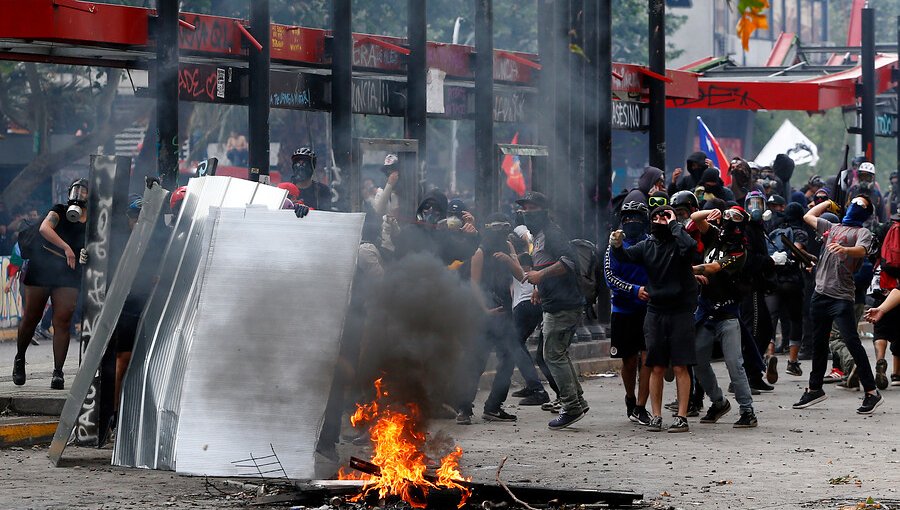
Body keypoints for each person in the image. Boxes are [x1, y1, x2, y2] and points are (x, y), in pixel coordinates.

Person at [610, 205, 698, 433]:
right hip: (656, 310)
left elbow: (690, 248)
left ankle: (681, 416)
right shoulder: (647, 245)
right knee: (656, 365)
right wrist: (616, 244)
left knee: (680, 366)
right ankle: (656, 415)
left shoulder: (679, 241)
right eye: (656, 216)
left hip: (680, 310)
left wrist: (674, 223)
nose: (661, 219)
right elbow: (625, 257)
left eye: (665, 215)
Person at [793, 194, 883, 414]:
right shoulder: (833, 227)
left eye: (860, 203)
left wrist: (846, 250)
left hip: (841, 296)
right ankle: (815, 389)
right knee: (819, 344)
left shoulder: (862, 232)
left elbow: (862, 250)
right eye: (853, 202)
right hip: (820, 293)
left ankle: (871, 392)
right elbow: (808, 215)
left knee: (852, 342)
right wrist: (829, 204)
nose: (855, 205)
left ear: (867, 211)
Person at [517, 192, 588, 430]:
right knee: (559, 354)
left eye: (531, 207)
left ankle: (571, 406)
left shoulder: (552, 233)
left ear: (542, 210)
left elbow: (569, 262)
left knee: (553, 356)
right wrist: (540, 286)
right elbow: (546, 264)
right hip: (554, 301)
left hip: (563, 305)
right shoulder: (538, 236)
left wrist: (540, 276)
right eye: (524, 208)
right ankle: (577, 400)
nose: (526, 212)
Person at [12, 179, 89, 390]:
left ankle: (58, 372)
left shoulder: (93, 220)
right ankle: (20, 358)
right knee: (31, 317)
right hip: (42, 266)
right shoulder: (59, 211)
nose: (80, 194)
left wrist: (87, 254)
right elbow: (45, 229)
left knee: (62, 321)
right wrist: (67, 248)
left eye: (84, 191)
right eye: (77, 190)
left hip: (68, 273)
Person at [689, 205, 758, 428]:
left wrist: (687, 270)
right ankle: (718, 402)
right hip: (706, 310)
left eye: (735, 217)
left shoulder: (739, 251)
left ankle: (747, 410)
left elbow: (713, 267)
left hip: (728, 313)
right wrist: (713, 210)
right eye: (727, 215)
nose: (728, 219)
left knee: (734, 363)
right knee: (698, 360)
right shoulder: (714, 236)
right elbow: (694, 218)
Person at [455, 214, 524, 424]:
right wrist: (484, 309)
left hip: (504, 313)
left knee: (509, 358)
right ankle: (464, 409)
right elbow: (474, 284)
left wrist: (509, 260)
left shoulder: (508, 247)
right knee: (476, 362)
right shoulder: (481, 252)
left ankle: (494, 406)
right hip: (484, 315)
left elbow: (522, 275)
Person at [604, 201, 652, 425]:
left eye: (637, 217)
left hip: (649, 309)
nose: (632, 221)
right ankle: (630, 398)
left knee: (647, 359)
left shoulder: (651, 243)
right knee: (629, 360)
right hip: (623, 309)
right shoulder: (614, 246)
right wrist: (634, 290)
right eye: (628, 217)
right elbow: (610, 278)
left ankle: (642, 407)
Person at [508, 227, 554, 407]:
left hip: (527, 304)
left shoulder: (524, 258)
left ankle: (537, 389)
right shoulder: (524, 256)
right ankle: (532, 385)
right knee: (517, 343)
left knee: (514, 343)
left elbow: (522, 277)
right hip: (526, 304)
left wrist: (510, 255)